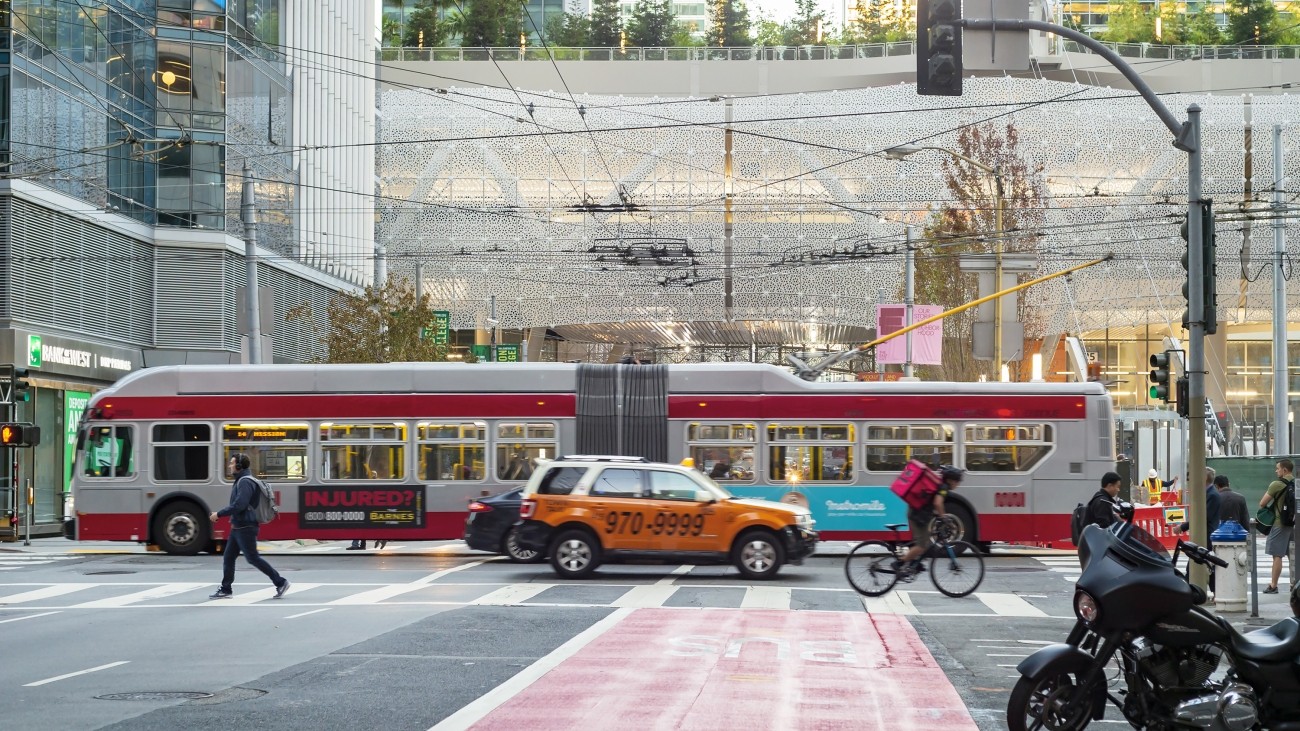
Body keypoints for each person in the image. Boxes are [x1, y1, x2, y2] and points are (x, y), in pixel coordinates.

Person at [208, 453, 290, 600]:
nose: (230, 466)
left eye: (232, 463)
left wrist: (219, 514)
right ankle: (226, 588)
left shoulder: (245, 482)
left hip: (245, 526)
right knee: (228, 557)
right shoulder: (242, 480)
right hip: (238, 526)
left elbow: (240, 505)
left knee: (253, 558)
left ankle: (280, 582)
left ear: (239, 466)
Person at [895, 465, 963, 577]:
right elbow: (937, 503)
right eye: (957, 481)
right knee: (922, 545)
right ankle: (899, 563)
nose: (958, 484)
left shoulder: (940, 484)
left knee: (924, 542)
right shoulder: (943, 488)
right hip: (917, 515)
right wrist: (944, 518)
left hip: (917, 513)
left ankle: (914, 563)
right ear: (951, 480)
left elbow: (931, 503)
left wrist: (937, 515)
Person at [1260, 458, 1296, 595]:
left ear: (1284, 470)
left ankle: (1273, 585)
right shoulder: (1296, 483)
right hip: (1293, 523)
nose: (1276, 471)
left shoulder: (1276, 484)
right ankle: (1295, 583)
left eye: (1278, 468)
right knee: (1292, 555)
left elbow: (1262, 503)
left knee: (1277, 556)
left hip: (1279, 523)